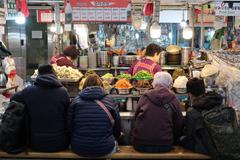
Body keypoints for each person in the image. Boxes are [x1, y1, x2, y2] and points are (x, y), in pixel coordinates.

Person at [10, 64, 70, 152]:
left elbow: (13, 99)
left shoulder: (28, 91)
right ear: (54, 74)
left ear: (38, 75)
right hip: (59, 142)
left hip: (35, 143)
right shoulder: (63, 92)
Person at [68, 74, 121, 157]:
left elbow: (69, 126)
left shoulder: (75, 101)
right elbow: (117, 127)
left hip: (79, 147)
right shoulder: (110, 100)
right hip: (105, 148)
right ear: (102, 86)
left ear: (84, 85)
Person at [133, 72, 183, 153]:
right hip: (165, 145)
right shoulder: (173, 98)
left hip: (140, 144)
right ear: (170, 84)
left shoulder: (144, 96)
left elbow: (135, 119)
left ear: (154, 83)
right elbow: (179, 123)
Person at [181, 78, 223, 157]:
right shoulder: (217, 102)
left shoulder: (192, 112)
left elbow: (190, 137)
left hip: (207, 149)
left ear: (190, 94)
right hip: (222, 145)